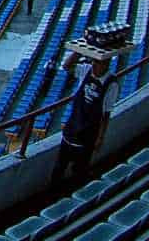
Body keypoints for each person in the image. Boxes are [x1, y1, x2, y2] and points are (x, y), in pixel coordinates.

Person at [48, 52, 112, 192]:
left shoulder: (110, 84)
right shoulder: (86, 70)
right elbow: (66, 66)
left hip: (88, 134)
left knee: (79, 169)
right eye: (93, 61)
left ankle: (75, 195)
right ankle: (52, 194)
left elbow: (106, 114)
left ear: (106, 64)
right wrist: (78, 51)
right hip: (72, 128)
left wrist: (100, 138)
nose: (94, 65)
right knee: (59, 166)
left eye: (98, 62)